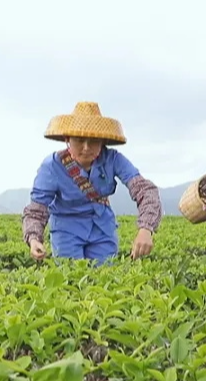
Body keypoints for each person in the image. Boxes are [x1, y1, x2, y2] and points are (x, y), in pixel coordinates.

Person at [21, 101, 162, 264]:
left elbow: (145, 190)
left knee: (104, 279)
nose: (86, 147)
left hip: (103, 230)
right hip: (66, 232)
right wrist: (33, 238)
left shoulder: (113, 159)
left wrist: (146, 228)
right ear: (68, 139)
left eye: (93, 141)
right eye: (79, 140)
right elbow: (37, 208)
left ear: (102, 142)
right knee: (71, 280)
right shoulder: (52, 166)